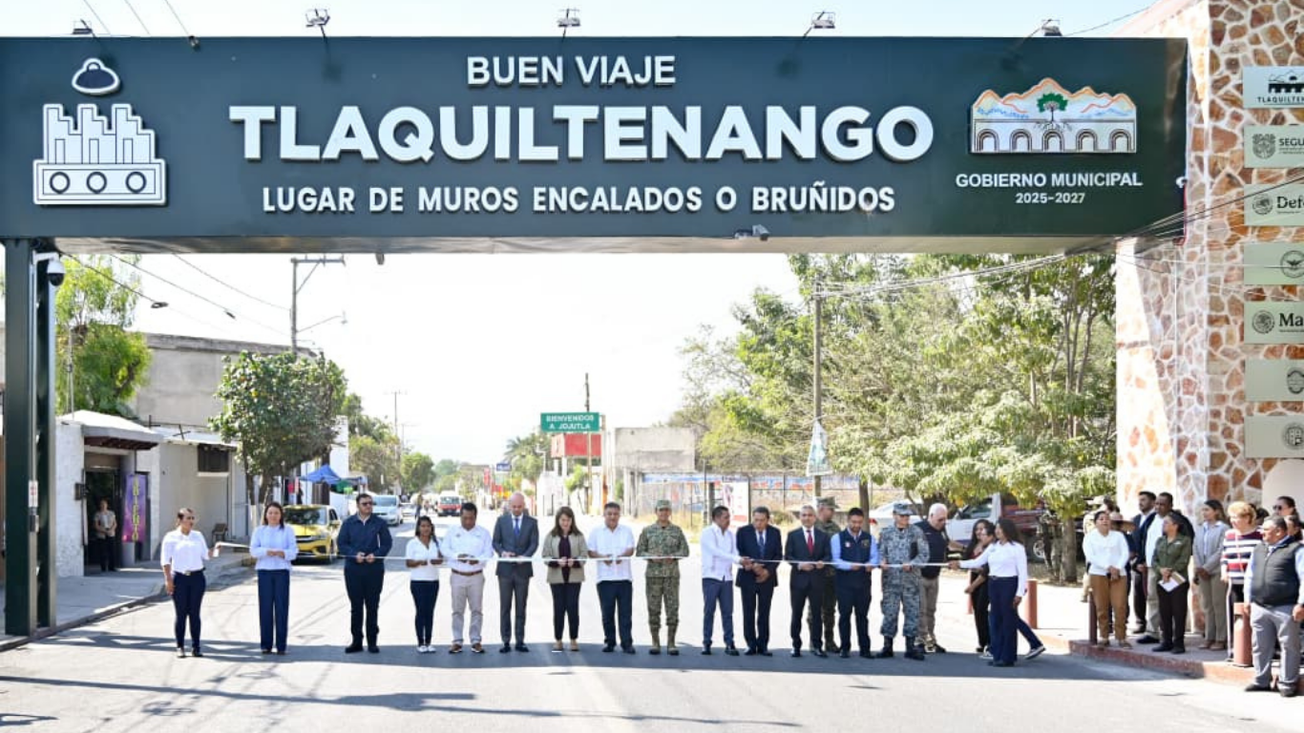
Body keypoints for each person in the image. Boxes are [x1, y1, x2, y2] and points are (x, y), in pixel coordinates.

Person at [1242, 515, 1304, 697]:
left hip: (1286, 606)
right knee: (1260, 645)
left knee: (1289, 646)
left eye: (1266, 530)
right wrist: (1248, 598)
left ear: (1278, 531)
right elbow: (1250, 575)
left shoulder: (1296, 549)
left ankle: (1287, 683)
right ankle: (1261, 680)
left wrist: (1301, 603)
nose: (1262, 533)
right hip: (1260, 605)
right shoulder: (1259, 548)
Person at [954, 518, 1028, 668]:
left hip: (1008, 584)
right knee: (995, 620)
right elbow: (978, 561)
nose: (997, 531)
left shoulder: (1017, 548)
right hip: (994, 584)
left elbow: (1022, 572)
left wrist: (1019, 593)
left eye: (1000, 528)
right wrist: (959, 564)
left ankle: (1008, 656)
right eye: (997, 528)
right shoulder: (994, 546)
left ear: (1007, 530)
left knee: (1007, 621)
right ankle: (997, 654)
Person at [338, 492, 393, 654]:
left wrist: (375, 555)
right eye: (365, 503)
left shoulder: (379, 523)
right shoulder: (348, 523)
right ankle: (356, 641)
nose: (369, 506)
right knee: (356, 607)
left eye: (371, 503)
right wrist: (354, 554)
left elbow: (387, 543)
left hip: (374, 570)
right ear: (358, 505)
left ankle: (372, 641)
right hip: (353, 570)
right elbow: (341, 544)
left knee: (372, 606)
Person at [635, 499, 690, 655]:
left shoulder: (677, 531)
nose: (664, 513)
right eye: (661, 510)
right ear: (656, 512)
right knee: (653, 609)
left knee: (672, 609)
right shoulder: (648, 531)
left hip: (671, 576)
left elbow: (685, 551)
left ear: (670, 512)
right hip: (653, 576)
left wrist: (674, 556)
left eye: (666, 510)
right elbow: (639, 551)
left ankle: (671, 642)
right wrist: (651, 557)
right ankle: (655, 642)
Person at [877, 502, 928, 660]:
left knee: (912, 613)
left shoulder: (916, 532)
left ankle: (910, 647)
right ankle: (887, 646)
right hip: (891, 581)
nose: (906, 518)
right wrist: (882, 561)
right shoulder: (886, 533)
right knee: (889, 613)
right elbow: (880, 552)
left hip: (910, 581)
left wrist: (912, 564)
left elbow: (924, 555)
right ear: (894, 515)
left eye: (907, 515)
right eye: (902, 515)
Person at [161, 508, 213, 659]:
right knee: (181, 613)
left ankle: (196, 647)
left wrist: (214, 550)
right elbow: (165, 560)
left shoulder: (198, 535)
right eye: (188, 518)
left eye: (192, 518)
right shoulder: (171, 537)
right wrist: (168, 580)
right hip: (179, 578)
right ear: (180, 520)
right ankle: (180, 646)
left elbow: (206, 555)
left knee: (195, 613)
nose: (191, 521)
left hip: (197, 578)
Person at [492, 492, 539, 653]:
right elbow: (495, 542)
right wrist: (503, 553)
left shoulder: (532, 522)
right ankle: (505, 641)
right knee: (505, 607)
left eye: (520, 506)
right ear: (509, 506)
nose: (517, 509)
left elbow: (534, 543)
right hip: (505, 571)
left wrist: (525, 556)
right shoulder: (501, 521)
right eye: (514, 507)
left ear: (524, 505)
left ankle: (520, 641)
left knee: (521, 607)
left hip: (523, 571)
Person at [250, 501, 298, 655]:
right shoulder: (259, 531)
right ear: (266, 515)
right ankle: (266, 644)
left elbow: (294, 551)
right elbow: (253, 550)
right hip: (264, 571)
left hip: (281, 572)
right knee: (265, 608)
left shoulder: (287, 530)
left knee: (281, 608)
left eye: (276, 513)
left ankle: (281, 645)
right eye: (270, 513)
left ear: (281, 515)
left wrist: (283, 553)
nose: (273, 516)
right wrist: (266, 551)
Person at [588, 502, 636, 653]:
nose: (612, 517)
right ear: (604, 515)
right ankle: (610, 642)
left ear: (619, 515)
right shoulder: (596, 532)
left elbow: (631, 549)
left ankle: (627, 643)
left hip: (624, 578)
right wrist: (602, 557)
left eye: (615, 514)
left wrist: (623, 556)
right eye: (609, 514)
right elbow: (590, 551)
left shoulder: (626, 531)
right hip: (605, 579)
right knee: (607, 613)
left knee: (625, 613)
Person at [785, 504, 832, 658]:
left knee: (817, 615)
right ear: (800, 517)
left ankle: (817, 645)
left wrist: (823, 562)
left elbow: (828, 555)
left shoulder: (823, 536)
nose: (807, 518)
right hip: (798, 581)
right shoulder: (793, 535)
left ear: (815, 517)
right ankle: (796, 645)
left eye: (810, 515)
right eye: (804, 515)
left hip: (817, 581)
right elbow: (788, 556)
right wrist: (799, 564)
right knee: (796, 614)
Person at [446, 501, 493, 653]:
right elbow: (444, 549)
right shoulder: (452, 531)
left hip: (476, 576)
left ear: (475, 517)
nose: (468, 521)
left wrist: (478, 559)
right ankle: (457, 640)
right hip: (457, 576)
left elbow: (489, 552)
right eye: (465, 518)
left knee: (476, 610)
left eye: (471, 518)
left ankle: (476, 640)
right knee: (457, 610)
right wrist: (457, 556)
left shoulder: (483, 533)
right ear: (460, 516)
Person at [735, 506, 782, 656]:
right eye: (756, 520)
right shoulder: (743, 532)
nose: (759, 523)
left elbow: (778, 555)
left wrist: (767, 571)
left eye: (762, 520)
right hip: (748, 577)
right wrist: (754, 566)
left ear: (768, 519)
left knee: (764, 612)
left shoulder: (775, 532)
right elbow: (739, 551)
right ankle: (750, 644)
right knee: (748, 611)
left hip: (767, 579)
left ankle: (763, 645)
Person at [832, 507, 878, 658]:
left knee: (862, 616)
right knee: (844, 615)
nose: (856, 525)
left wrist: (872, 564)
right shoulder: (838, 538)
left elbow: (875, 557)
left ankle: (865, 649)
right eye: (853, 522)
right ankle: (845, 647)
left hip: (863, 584)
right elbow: (835, 560)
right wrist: (849, 566)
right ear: (848, 521)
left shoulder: (869, 538)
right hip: (844, 584)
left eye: (859, 522)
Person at [916, 503, 961, 653]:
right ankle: (919, 640)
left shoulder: (942, 530)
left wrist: (965, 549)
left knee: (931, 610)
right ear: (931, 516)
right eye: (940, 519)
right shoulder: (918, 529)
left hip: (934, 577)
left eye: (945, 519)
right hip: (919, 576)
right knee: (921, 610)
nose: (943, 522)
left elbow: (948, 543)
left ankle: (931, 640)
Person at [1083, 510, 1131, 649]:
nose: (1105, 521)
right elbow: (1091, 556)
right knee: (1101, 606)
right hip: (1098, 573)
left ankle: (1121, 637)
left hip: (1119, 574)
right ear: (1096, 522)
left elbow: (1125, 553)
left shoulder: (1118, 536)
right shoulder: (1090, 537)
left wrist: (1117, 568)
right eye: (1101, 519)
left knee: (1120, 605)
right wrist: (1107, 567)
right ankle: (1104, 637)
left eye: (1107, 519)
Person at [1221, 500, 1262, 663]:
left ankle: (1256, 649)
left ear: (1247, 518)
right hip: (1235, 583)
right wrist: (1224, 571)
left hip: (1254, 584)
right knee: (1235, 616)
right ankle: (1235, 649)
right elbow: (1225, 556)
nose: (1232, 521)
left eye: (1236, 517)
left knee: (1255, 617)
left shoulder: (1260, 534)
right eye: (1231, 517)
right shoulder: (1229, 535)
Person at [542, 506, 587, 652]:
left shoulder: (579, 536)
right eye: (562, 520)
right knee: (559, 608)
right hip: (556, 578)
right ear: (558, 520)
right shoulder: (551, 536)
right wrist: (556, 562)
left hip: (574, 578)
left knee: (572, 608)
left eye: (568, 520)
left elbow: (584, 555)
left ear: (572, 520)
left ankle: (573, 639)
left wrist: (576, 561)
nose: (565, 523)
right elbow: (545, 555)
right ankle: (558, 640)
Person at [1135, 491, 1178, 644]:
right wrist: (1141, 560)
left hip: (1169, 568)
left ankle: (1172, 633)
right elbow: (1143, 540)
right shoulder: (1151, 519)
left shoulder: (1176, 520)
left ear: (1170, 505)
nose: (1158, 507)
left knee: (1171, 600)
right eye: (1157, 504)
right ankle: (1153, 632)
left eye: (1162, 504)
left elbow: (1183, 543)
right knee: (1152, 598)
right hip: (1152, 567)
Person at [700, 505, 742, 656]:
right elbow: (715, 552)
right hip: (711, 577)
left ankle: (729, 643)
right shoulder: (707, 533)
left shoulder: (731, 535)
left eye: (729, 517)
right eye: (725, 517)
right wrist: (737, 559)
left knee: (728, 612)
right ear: (716, 518)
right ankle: (706, 642)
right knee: (709, 611)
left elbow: (735, 553)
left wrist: (745, 563)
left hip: (727, 578)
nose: (728, 520)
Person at [1152, 514, 1192, 654]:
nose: (1163, 525)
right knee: (1164, 612)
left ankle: (1179, 643)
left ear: (1175, 525)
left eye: (1166, 522)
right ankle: (1166, 641)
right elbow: (1154, 559)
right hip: (1162, 580)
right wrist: (1160, 570)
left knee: (1179, 612)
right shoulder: (1160, 541)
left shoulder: (1184, 540)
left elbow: (1184, 560)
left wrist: (1169, 571)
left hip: (1178, 580)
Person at [1193, 499, 1229, 651]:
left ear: (1216, 511)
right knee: (1207, 605)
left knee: (1219, 605)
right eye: (1203, 510)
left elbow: (1222, 550)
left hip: (1217, 570)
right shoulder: (1201, 528)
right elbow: (1195, 548)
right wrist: (1200, 567)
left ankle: (1221, 638)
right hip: (1203, 571)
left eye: (1207, 510)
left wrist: (1207, 567)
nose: (1204, 513)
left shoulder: (1223, 528)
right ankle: (1209, 636)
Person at [405, 515, 443, 653]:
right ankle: (420, 642)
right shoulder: (412, 543)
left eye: (428, 526)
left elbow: (441, 559)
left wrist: (436, 561)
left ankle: (429, 642)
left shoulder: (436, 542)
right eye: (423, 526)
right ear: (418, 528)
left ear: (431, 527)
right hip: (418, 582)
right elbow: (408, 562)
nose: (425, 529)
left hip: (433, 581)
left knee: (430, 612)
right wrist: (419, 562)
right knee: (421, 611)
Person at [963, 520, 996, 656]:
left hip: (986, 579)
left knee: (982, 608)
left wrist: (972, 586)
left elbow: (986, 570)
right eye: (977, 529)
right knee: (977, 610)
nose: (979, 532)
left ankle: (990, 641)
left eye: (982, 529)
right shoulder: (973, 545)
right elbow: (967, 561)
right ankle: (982, 641)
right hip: (974, 576)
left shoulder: (991, 547)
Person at [813, 499, 841, 653]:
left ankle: (829, 641)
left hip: (831, 575)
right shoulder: (812, 525)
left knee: (830, 610)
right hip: (815, 575)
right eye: (831, 509)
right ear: (821, 509)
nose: (833, 512)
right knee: (814, 610)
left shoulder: (835, 528)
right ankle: (814, 642)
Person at [1129, 490, 1157, 635]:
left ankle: (1155, 626)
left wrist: (1146, 561)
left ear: (1152, 502)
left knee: (1152, 595)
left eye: (1144, 500)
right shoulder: (1135, 520)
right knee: (1138, 594)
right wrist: (1135, 561)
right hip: (1136, 564)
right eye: (1139, 500)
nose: (1140, 503)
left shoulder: (1156, 519)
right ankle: (1140, 622)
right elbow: (1133, 541)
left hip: (1151, 563)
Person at [92, 499, 118, 573]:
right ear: (100, 505)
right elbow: (96, 526)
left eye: (104, 504)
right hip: (101, 534)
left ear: (107, 505)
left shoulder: (111, 513)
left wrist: (111, 530)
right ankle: (103, 567)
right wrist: (105, 531)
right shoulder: (97, 514)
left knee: (112, 551)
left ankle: (112, 567)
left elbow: (115, 523)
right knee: (102, 552)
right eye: (102, 504)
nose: (103, 506)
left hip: (111, 533)